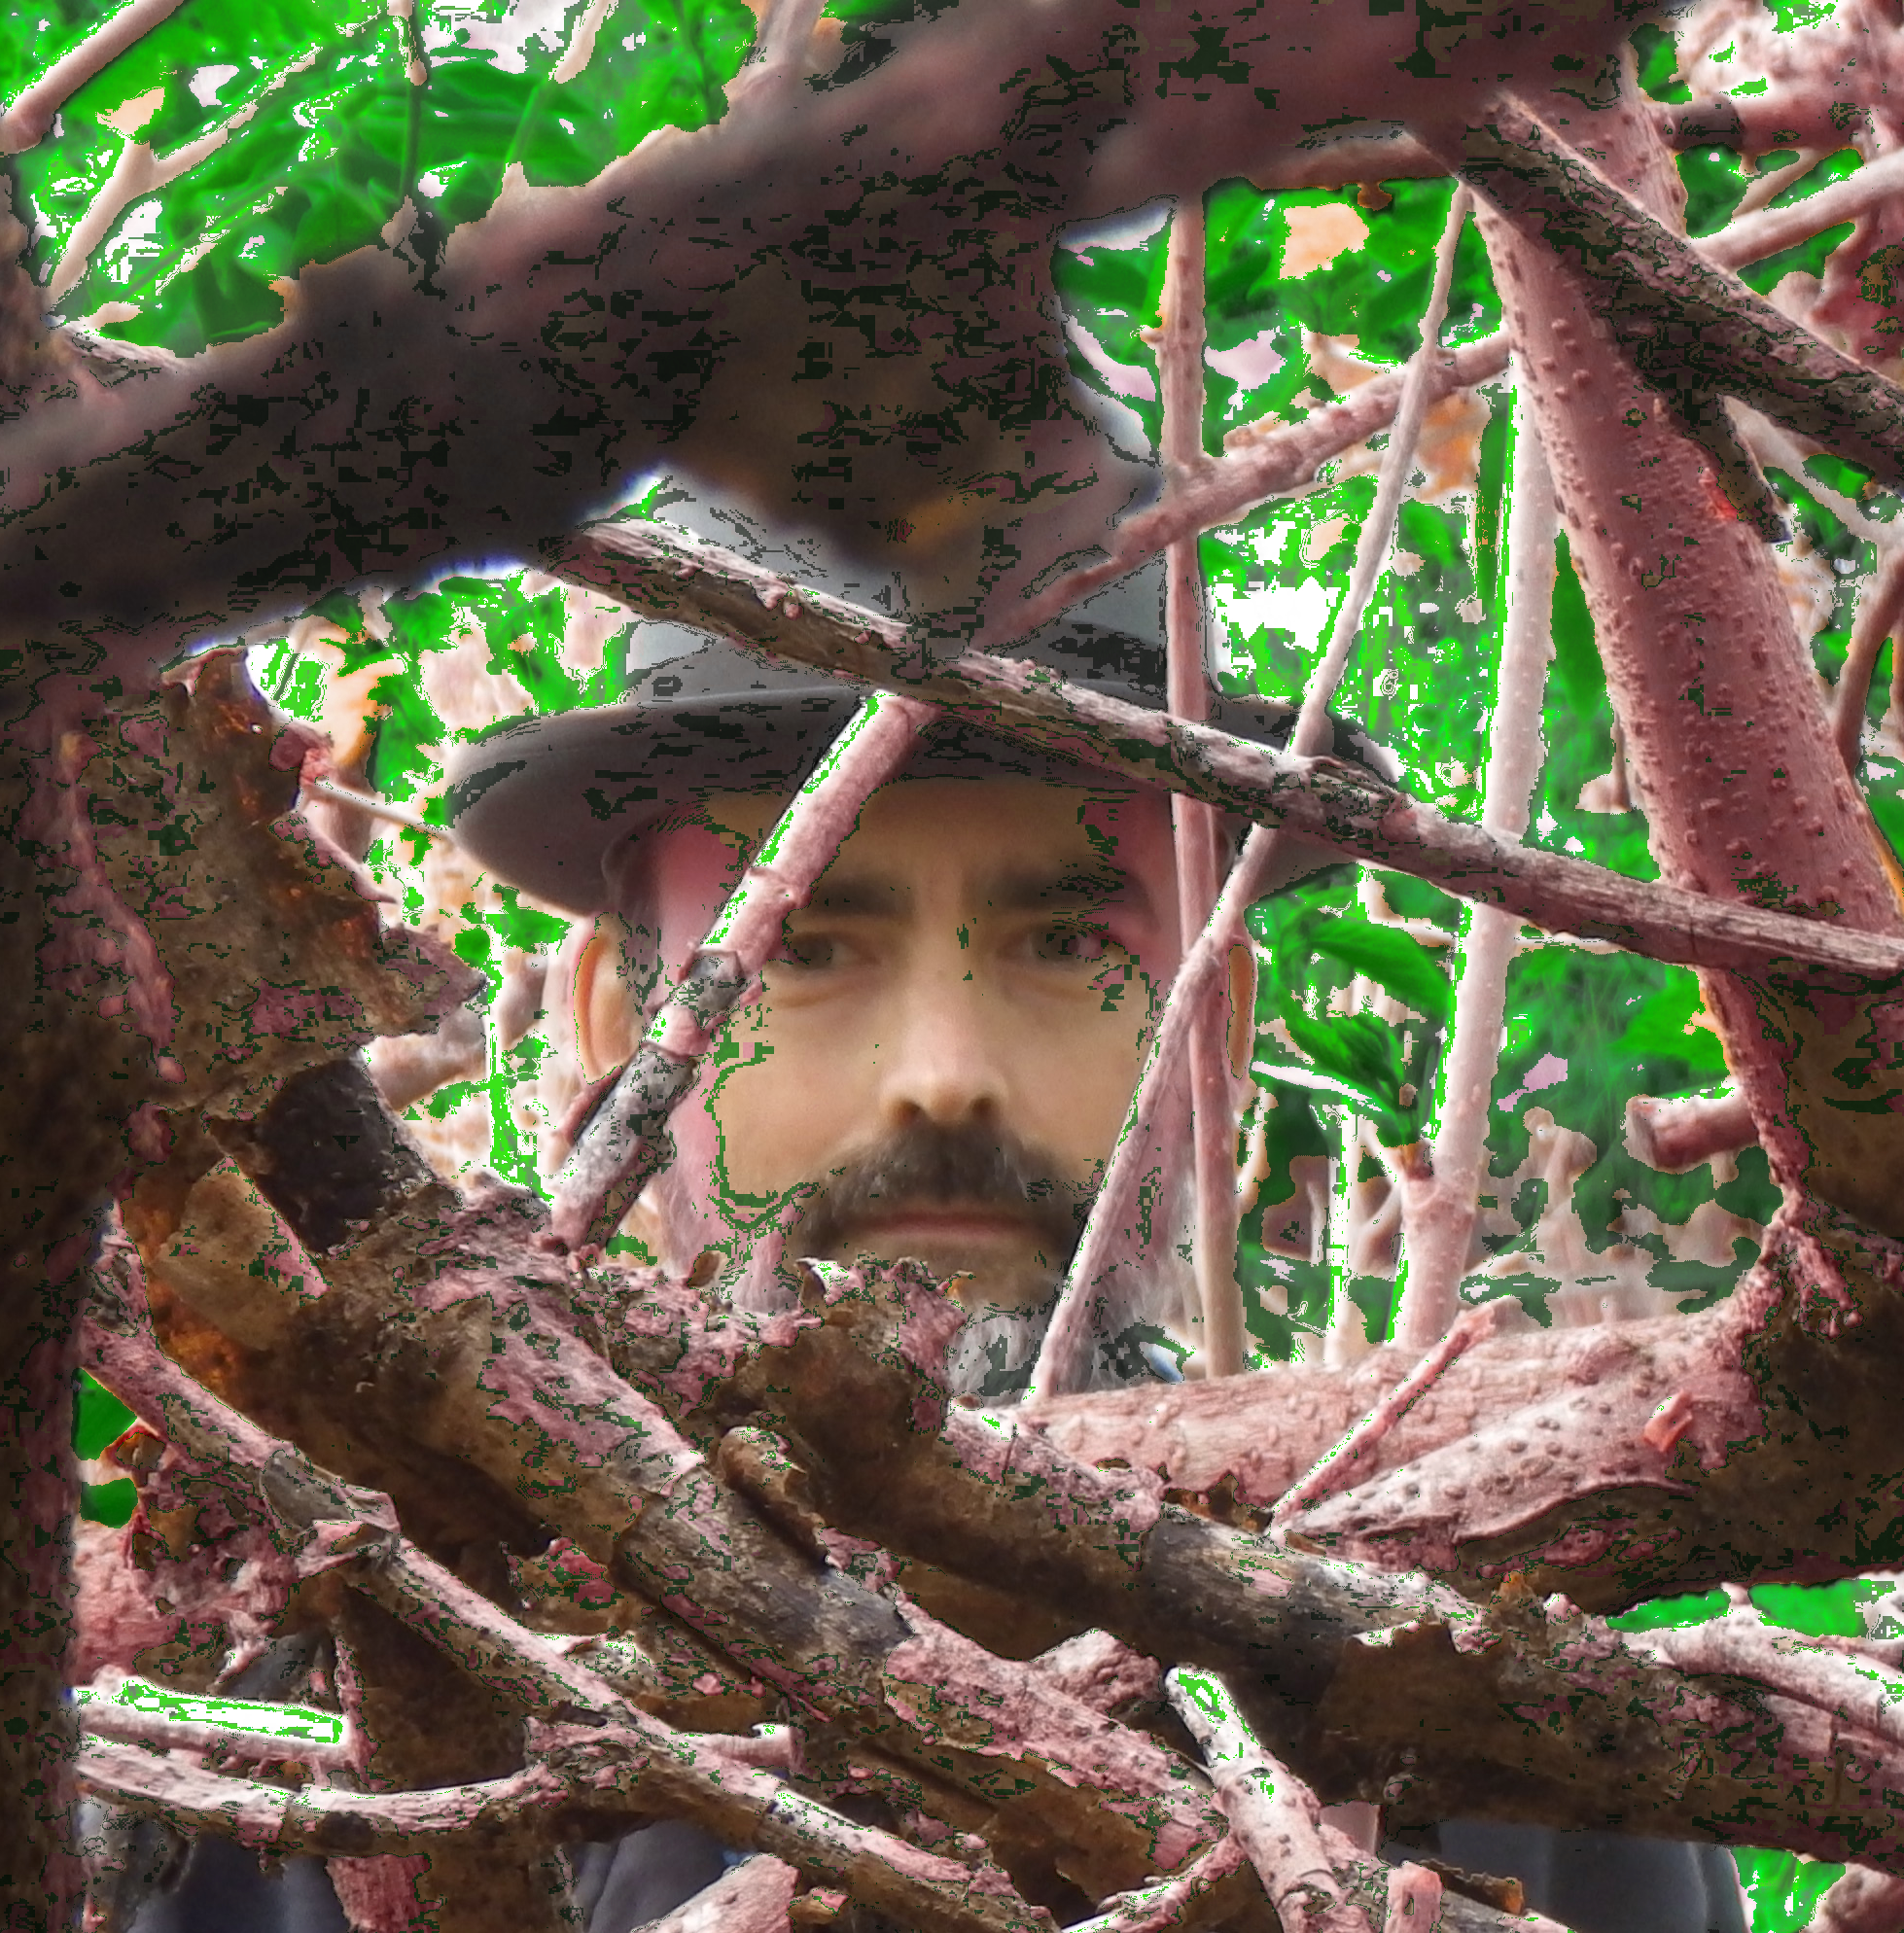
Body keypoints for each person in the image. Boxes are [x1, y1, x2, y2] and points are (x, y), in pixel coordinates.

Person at [446, 626, 1751, 1933]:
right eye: (807, 948)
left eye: (1069, 941)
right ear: (623, 1026)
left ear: (1215, 1023)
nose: (943, 1077)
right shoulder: (428, 1661)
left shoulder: (1511, 1712)